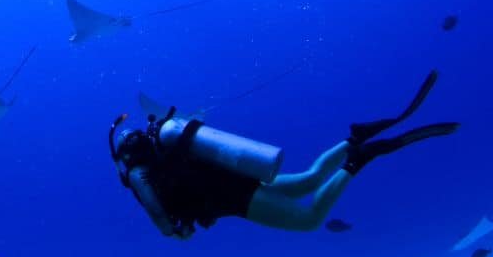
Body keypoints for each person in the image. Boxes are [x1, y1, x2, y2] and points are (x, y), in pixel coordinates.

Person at [109, 71, 458, 238]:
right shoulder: (162, 148)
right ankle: (354, 139)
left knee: (308, 221)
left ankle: (358, 159)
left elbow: (165, 224)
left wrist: (178, 230)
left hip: (233, 197)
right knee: (308, 179)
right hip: (234, 177)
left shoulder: (140, 175)